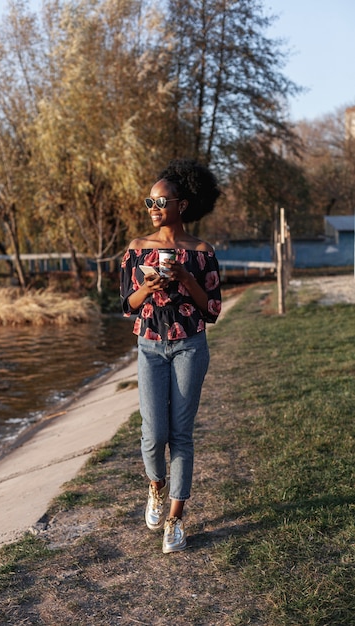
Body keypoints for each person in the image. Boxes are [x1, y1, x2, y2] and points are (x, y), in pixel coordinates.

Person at [120, 158, 222, 553]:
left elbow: (211, 310)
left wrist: (184, 278)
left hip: (189, 346)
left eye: (162, 201)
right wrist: (149, 287)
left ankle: (176, 520)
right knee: (153, 434)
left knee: (181, 435)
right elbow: (127, 305)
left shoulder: (200, 252)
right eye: (149, 202)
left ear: (182, 204)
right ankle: (156, 488)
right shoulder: (137, 249)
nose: (154, 208)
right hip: (149, 345)